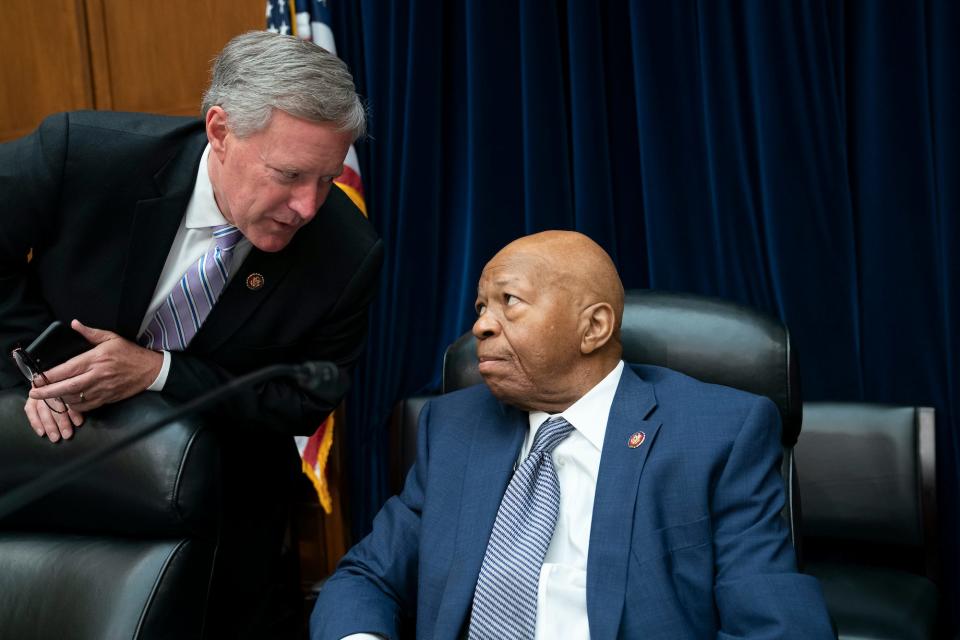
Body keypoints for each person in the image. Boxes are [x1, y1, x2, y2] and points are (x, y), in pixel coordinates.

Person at [0, 32, 382, 637]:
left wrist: (157, 371)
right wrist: (45, 364)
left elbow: (309, 397)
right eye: (289, 174)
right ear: (221, 131)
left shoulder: (345, 253)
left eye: (327, 177)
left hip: (223, 522)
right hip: (39, 469)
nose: (308, 206)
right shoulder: (86, 154)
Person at [310, 231, 832, 639]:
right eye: (480, 308)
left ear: (594, 328)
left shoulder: (718, 433)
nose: (482, 327)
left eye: (509, 300)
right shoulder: (453, 429)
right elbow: (366, 578)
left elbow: (777, 623)